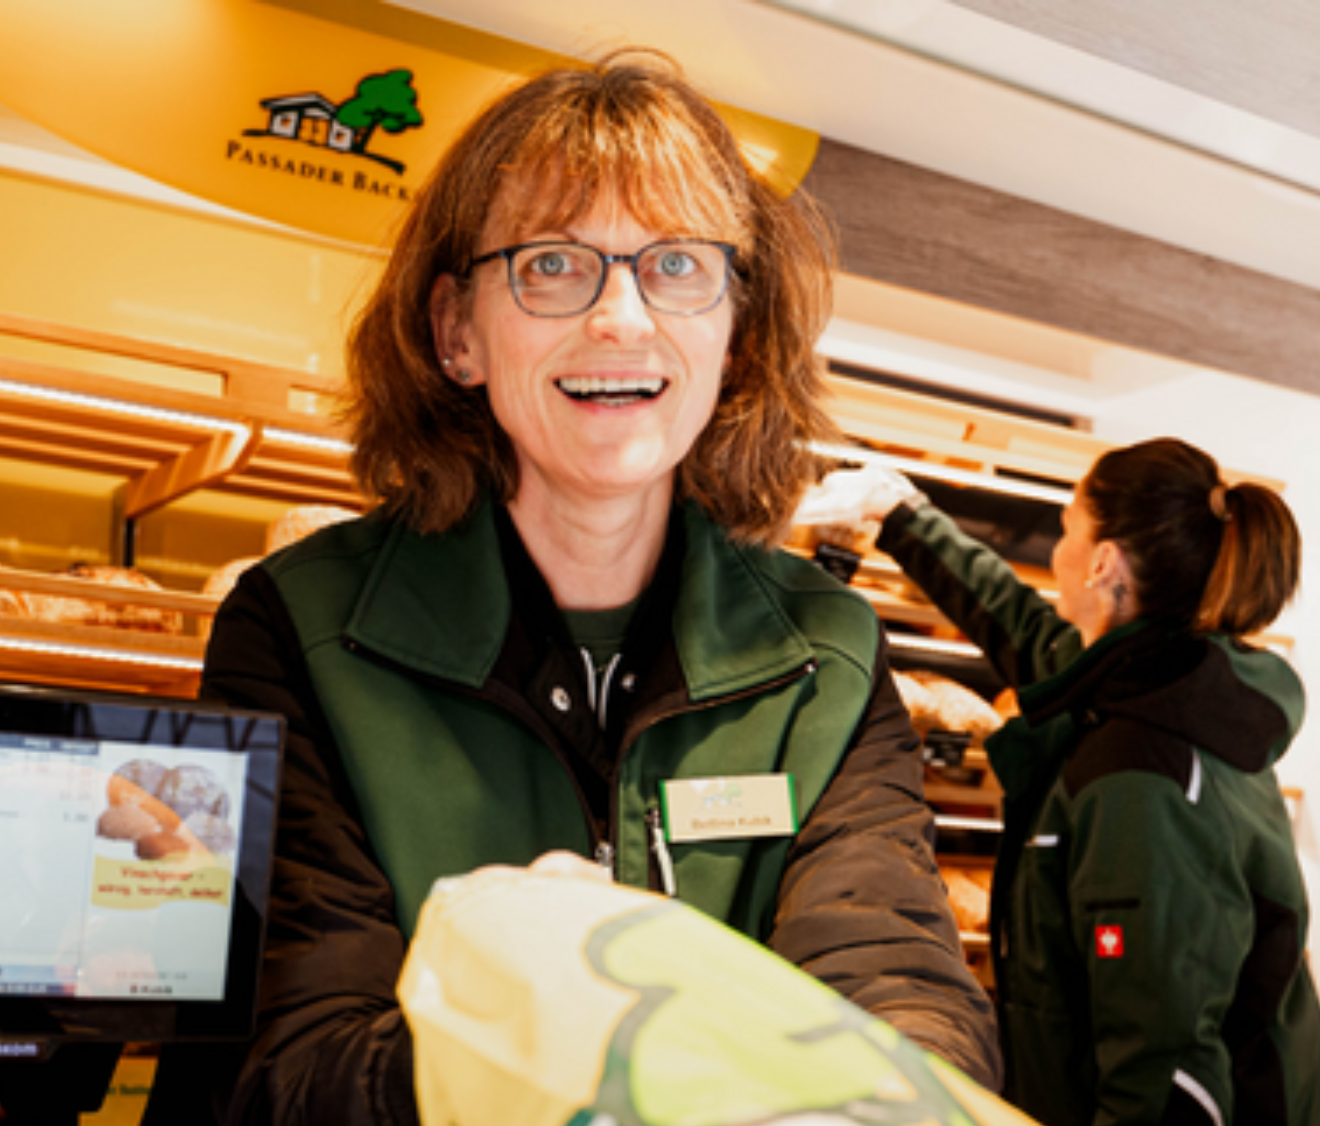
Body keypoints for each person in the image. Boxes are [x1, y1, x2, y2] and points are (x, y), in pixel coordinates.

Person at [192, 50, 1000, 1125]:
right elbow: (282, 1067)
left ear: (735, 330)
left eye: (675, 266)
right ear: (456, 331)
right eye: (553, 265)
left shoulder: (825, 657)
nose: (621, 318)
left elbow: (899, 995)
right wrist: (556, 995)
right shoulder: (303, 629)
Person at [817, 441, 1320, 1125]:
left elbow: (1163, 1071)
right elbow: (1023, 631)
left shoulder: (1144, 775)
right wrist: (899, 512)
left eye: (1067, 529)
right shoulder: (1162, 682)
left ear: (1102, 561)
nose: (1056, 554)